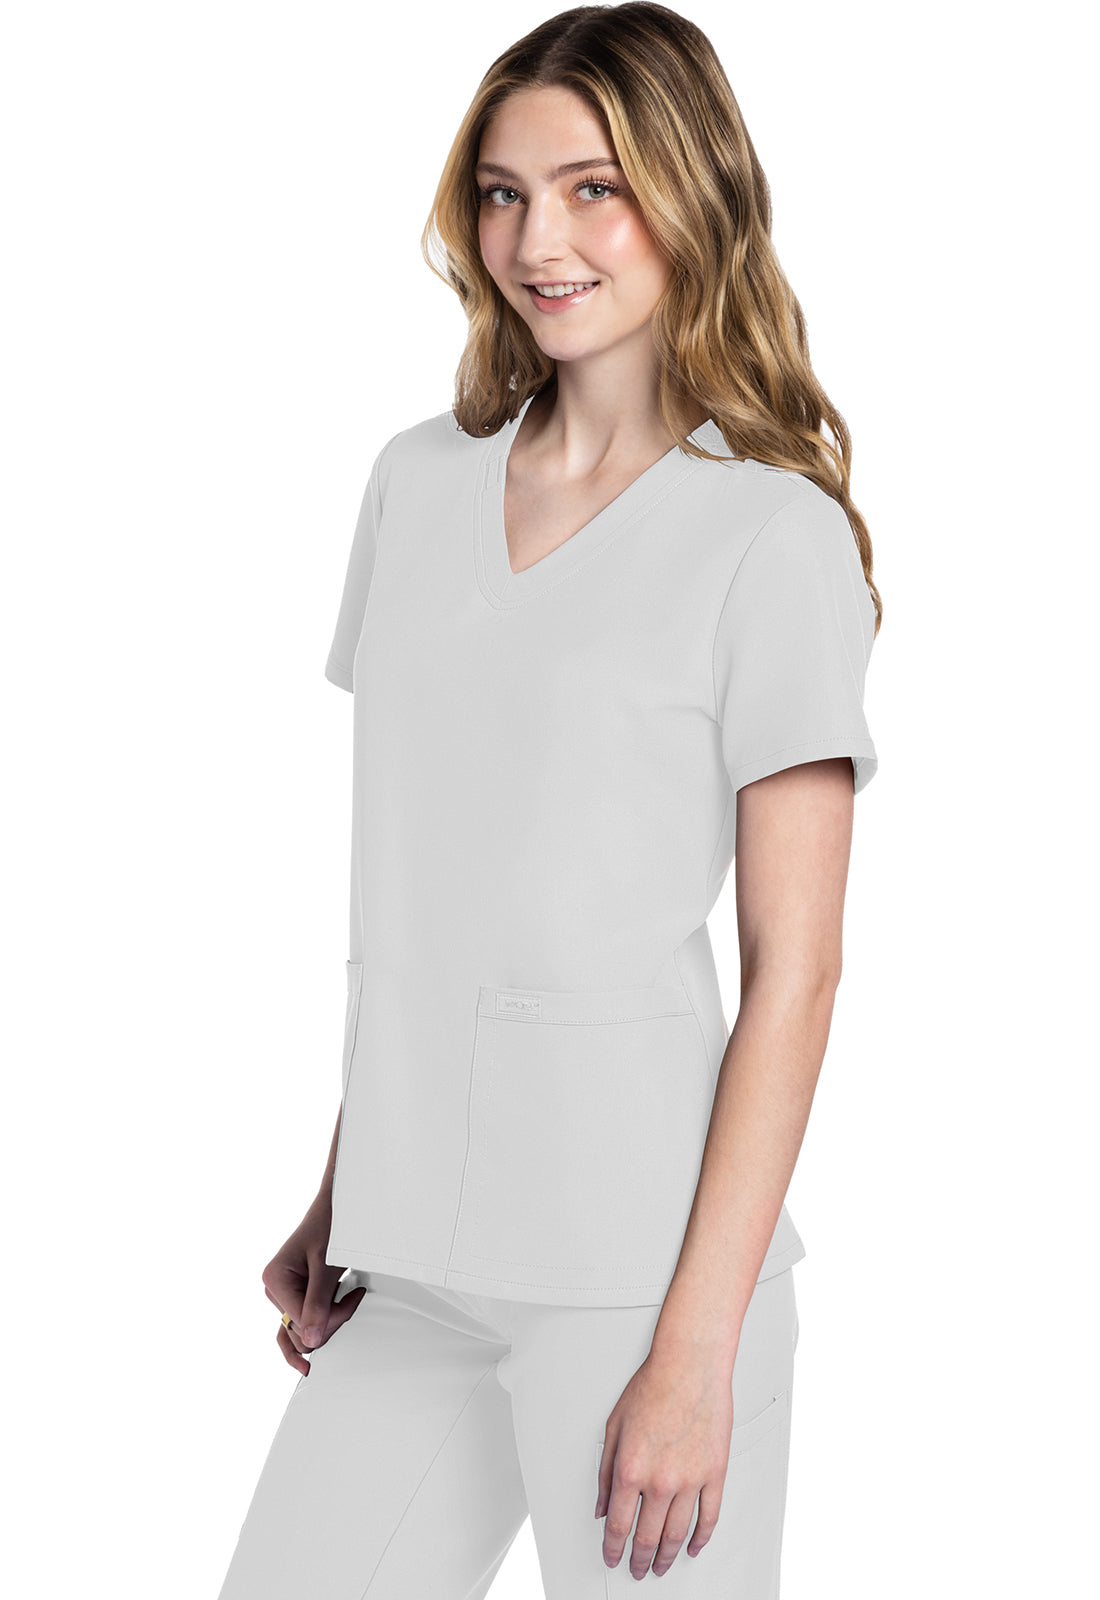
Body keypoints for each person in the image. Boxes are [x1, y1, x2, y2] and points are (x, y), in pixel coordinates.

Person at [216, 4, 881, 1595]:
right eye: (504, 194)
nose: (539, 241)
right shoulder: (416, 482)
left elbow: (797, 973)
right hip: (411, 1266)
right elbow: (436, 885)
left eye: (595, 190)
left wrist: (696, 1350)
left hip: (638, 1279)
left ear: (692, 193)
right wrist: (345, 1185)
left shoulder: (768, 535)